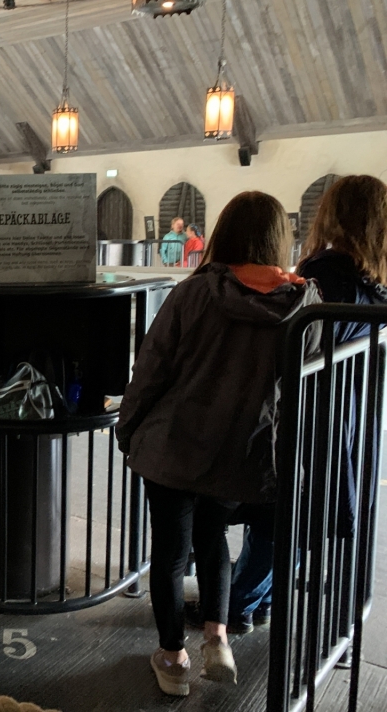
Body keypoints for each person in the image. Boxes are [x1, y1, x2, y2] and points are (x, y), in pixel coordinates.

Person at [116, 192, 320, 697]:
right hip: (240, 454)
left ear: (224, 232)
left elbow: (152, 368)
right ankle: (217, 639)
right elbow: (303, 382)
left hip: (173, 447)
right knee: (214, 545)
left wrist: (129, 427)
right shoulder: (304, 303)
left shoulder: (194, 294)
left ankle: (172, 659)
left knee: (169, 553)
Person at [187, 175, 387, 636]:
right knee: (295, 513)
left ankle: (237, 603)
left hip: (310, 414)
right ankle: (259, 598)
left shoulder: (330, 276)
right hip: (348, 415)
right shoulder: (372, 279)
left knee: (279, 514)